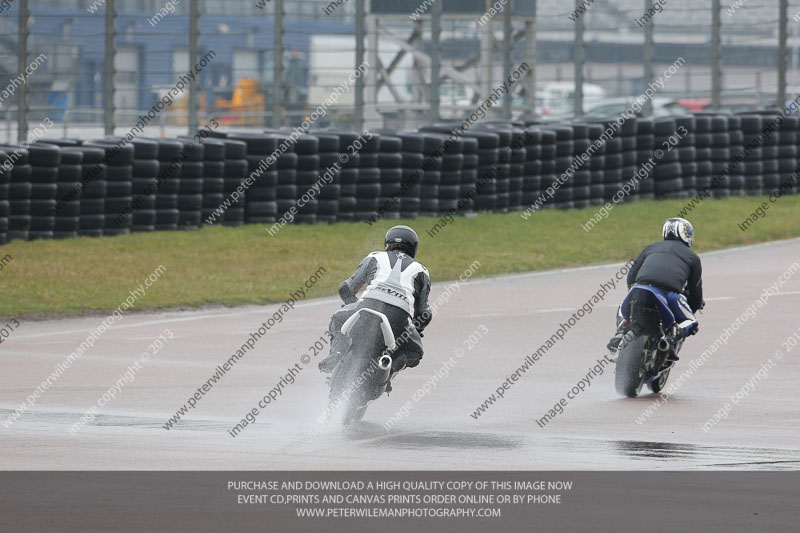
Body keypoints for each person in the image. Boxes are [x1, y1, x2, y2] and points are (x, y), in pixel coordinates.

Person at [318, 225, 432, 378]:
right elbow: (424, 313)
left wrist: (352, 304)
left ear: (387, 244)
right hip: (399, 319)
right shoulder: (422, 271)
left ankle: (336, 354)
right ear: (413, 248)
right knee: (415, 351)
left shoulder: (374, 257)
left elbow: (346, 288)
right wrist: (417, 329)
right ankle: (388, 370)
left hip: (367, 306)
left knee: (338, 318)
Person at [607, 217, 704, 360]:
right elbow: (695, 291)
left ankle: (621, 330)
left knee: (624, 304)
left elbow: (631, 276)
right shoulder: (693, 257)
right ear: (687, 235)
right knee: (692, 322)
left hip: (640, 288)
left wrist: (634, 292)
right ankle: (672, 337)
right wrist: (695, 305)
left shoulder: (650, 247)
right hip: (669, 295)